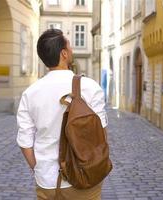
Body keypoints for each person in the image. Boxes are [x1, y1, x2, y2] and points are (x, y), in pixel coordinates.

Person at [16, 29, 108, 200]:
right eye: (69, 46)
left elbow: (24, 141)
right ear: (64, 54)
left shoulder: (30, 93)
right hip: (84, 178)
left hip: (47, 182)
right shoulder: (90, 87)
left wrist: (39, 169)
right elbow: (101, 135)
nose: (72, 49)